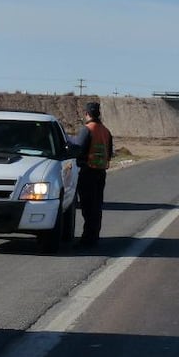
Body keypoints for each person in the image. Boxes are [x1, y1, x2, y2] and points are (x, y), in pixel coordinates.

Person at [74, 101, 114, 247]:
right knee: (96, 206)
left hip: (88, 172)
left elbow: (78, 149)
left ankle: (87, 239)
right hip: (101, 172)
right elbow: (109, 153)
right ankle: (94, 236)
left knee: (87, 207)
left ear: (87, 114)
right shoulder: (106, 131)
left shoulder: (87, 130)